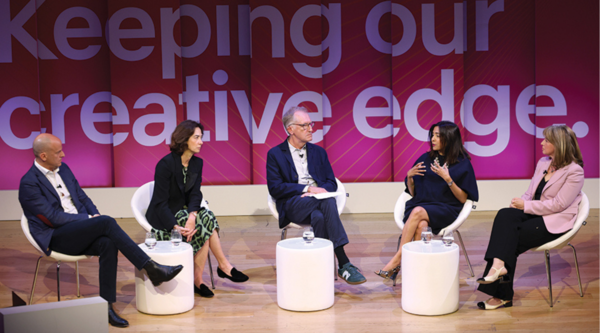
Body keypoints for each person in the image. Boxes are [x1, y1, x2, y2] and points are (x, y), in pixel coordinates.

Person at [19, 134, 183, 328]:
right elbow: (53, 218)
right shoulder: (29, 183)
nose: (63, 155)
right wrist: (90, 220)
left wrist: (93, 215)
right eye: (58, 152)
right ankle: (151, 268)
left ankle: (106, 305)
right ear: (43, 156)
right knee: (106, 222)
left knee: (108, 242)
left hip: (78, 229)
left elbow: (83, 198)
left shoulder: (63, 169)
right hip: (57, 236)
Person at [476, 125, 584, 310]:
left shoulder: (574, 171)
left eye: (547, 140)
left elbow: (559, 205)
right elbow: (530, 193)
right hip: (536, 213)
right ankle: (498, 267)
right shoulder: (543, 163)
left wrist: (525, 206)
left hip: (554, 221)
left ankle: (501, 291)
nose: (542, 143)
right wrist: (519, 204)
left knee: (510, 240)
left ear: (559, 145)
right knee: (505, 214)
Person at [146, 120, 248, 298]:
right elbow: (160, 203)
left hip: (185, 212)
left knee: (204, 218)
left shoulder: (196, 164)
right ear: (184, 139)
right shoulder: (165, 165)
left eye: (201, 137)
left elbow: (195, 194)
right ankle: (220, 268)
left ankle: (205, 276)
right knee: (206, 223)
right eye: (197, 137)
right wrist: (175, 227)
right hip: (165, 217)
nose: (201, 142)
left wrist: (192, 215)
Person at [266, 106, 366, 285]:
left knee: (319, 216)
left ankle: (322, 268)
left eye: (311, 124)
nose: (311, 129)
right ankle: (343, 263)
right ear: (291, 129)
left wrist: (321, 191)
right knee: (326, 202)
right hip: (293, 204)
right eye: (304, 125)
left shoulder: (319, 152)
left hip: (318, 203)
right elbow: (275, 188)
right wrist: (306, 189)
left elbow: (330, 181)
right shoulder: (275, 154)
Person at [375, 121, 478, 280]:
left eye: (438, 136)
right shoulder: (426, 158)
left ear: (449, 138)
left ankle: (397, 260)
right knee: (422, 226)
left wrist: (448, 178)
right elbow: (412, 192)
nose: (433, 139)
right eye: (433, 135)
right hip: (422, 205)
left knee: (418, 213)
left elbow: (463, 198)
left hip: (446, 209)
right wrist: (409, 177)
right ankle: (418, 273)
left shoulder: (462, 163)